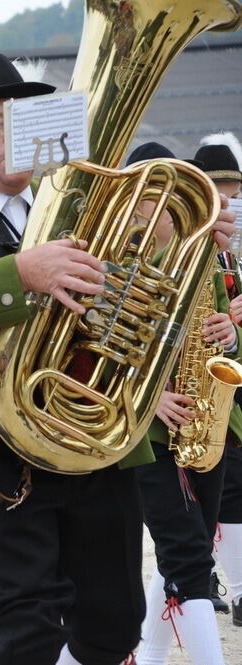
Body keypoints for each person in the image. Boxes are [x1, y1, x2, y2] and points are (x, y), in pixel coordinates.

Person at [0, 52, 238, 665]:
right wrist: (19, 273)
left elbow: (138, 310)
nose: (14, 133)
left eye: (23, 119)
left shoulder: (88, 208)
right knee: (29, 624)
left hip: (97, 443)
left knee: (114, 623)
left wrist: (183, 244)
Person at [126, 142, 236, 665]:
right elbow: (91, 358)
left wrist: (229, 335)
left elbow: (223, 335)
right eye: (151, 198)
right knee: (189, 555)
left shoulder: (201, 257)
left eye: (172, 199)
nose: (162, 210)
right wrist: (147, 400)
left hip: (204, 419)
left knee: (184, 548)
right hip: (144, 432)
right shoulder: (116, 263)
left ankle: (150, 654)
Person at [206, 135, 242, 627]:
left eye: (234, 191)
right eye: (220, 191)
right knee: (227, 485)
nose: (230, 201)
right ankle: (236, 587)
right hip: (207, 388)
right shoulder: (204, 256)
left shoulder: (234, 257)